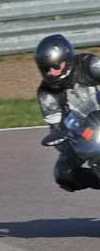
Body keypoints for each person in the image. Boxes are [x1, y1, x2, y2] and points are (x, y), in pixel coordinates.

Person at [36, 34, 100, 191]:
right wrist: (66, 140)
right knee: (64, 173)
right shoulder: (46, 93)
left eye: (56, 66)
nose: (51, 72)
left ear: (67, 61)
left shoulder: (89, 65)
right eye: (46, 68)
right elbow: (56, 126)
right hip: (83, 133)